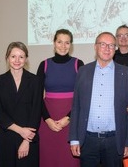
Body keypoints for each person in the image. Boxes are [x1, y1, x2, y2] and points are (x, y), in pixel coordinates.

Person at [69, 32, 128, 167]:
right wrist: (74, 139)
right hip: (88, 140)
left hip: (114, 140)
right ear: (95, 47)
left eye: (111, 45)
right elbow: (76, 107)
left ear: (115, 49)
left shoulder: (126, 73)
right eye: (103, 44)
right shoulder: (83, 71)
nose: (107, 48)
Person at [37, 29, 84, 167]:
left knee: (70, 161)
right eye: (59, 42)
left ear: (71, 45)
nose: (63, 46)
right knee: (48, 159)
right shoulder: (44, 64)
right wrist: (48, 120)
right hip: (47, 120)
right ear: (54, 43)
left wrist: (68, 118)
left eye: (67, 42)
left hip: (71, 120)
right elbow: (37, 97)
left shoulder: (78, 64)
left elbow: (83, 97)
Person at [0, 42, 42, 167]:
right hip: (5, 137)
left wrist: (26, 139)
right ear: (7, 58)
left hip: (28, 139)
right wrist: (21, 131)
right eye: (13, 56)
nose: (17, 60)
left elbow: (36, 112)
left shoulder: (35, 81)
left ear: (26, 59)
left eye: (21, 56)